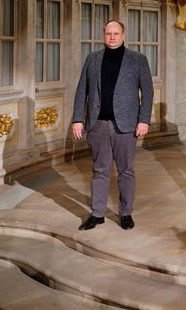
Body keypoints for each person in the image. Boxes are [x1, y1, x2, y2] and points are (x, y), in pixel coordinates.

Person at [72, 21, 153, 231]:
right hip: (98, 124)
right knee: (100, 170)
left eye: (116, 33)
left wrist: (143, 120)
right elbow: (82, 90)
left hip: (125, 125)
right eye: (109, 33)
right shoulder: (92, 59)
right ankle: (97, 214)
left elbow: (148, 92)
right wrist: (77, 119)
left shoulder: (138, 60)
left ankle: (125, 213)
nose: (112, 37)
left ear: (124, 35)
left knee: (126, 171)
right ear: (104, 35)